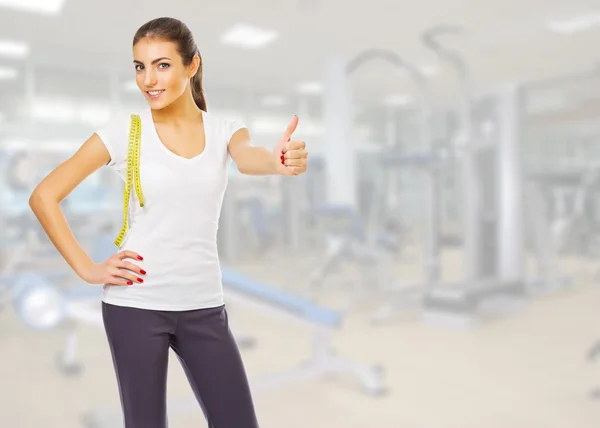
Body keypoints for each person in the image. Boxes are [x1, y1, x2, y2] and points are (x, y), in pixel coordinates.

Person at [28, 16, 308, 428]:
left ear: (192, 65)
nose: (148, 80)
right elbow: (44, 196)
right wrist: (88, 268)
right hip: (135, 307)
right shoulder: (124, 131)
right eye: (140, 67)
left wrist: (278, 161)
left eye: (162, 65)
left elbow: (250, 158)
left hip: (203, 306)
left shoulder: (224, 130)